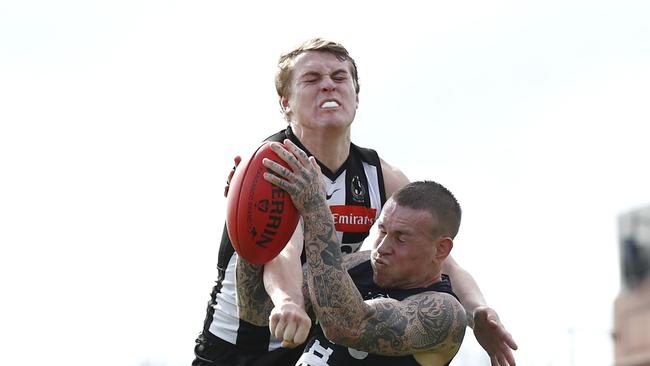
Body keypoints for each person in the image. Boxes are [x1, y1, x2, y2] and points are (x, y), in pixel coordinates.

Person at [193, 38, 517, 366]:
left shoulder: (381, 175)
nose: (328, 86)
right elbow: (284, 250)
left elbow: (440, 258)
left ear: (357, 97)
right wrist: (288, 301)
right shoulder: (274, 162)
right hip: (242, 340)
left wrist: (478, 313)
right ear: (285, 102)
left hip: (311, 338)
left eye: (338, 77)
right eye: (312, 79)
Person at [236, 139, 468, 366]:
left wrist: (316, 207)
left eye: (401, 238)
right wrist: (249, 210)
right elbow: (257, 311)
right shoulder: (360, 264)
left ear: (441, 249)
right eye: (382, 230)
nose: (382, 247)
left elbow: (347, 325)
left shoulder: (444, 313)